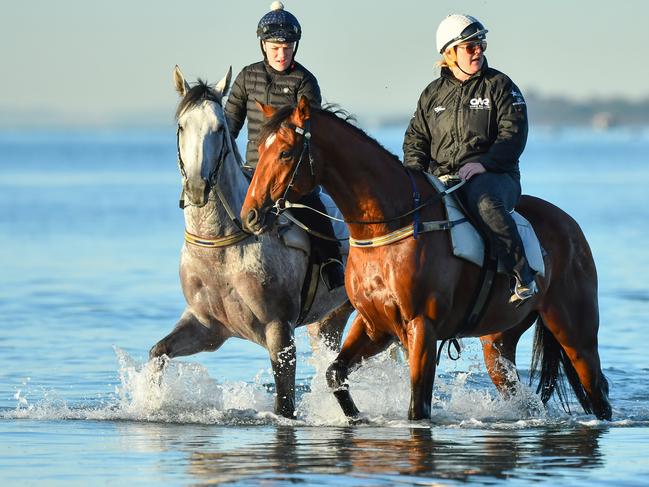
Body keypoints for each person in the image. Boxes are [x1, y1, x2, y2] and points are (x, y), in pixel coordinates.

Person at [403, 13, 538, 304]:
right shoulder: (431, 94)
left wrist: (484, 164)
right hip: (443, 179)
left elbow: (513, 134)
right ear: (449, 53)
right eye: (470, 47)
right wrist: (414, 178)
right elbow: (416, 140)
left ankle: (521, 276)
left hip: (495, 176)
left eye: (481, 45)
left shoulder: (500, 85)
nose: (478, 51)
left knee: (485, 203)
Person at [225, 1, 345, 290]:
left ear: (295, 47)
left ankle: (331, 265)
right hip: (251, 171)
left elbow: (312, 132)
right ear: (263, 45)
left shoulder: (305, 82)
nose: (281, 54)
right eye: (275, 47)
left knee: (314, 209)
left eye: (287, 47)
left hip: (292, 175)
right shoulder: (246, 77)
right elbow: (230, 125)